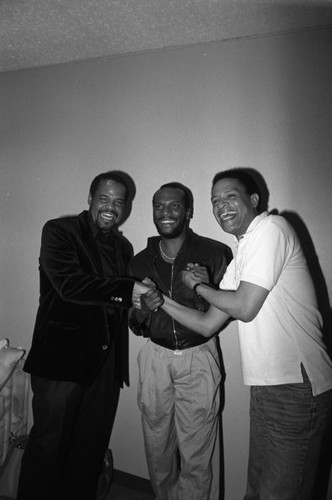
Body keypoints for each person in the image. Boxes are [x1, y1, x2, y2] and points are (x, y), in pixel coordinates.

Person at [155, 169, 332, 500]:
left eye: (230, 196)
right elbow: (209, 324)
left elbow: (245, 307)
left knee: (281, 494)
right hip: (267, 388)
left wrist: (198, 285)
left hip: (298, 385)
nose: (221, 205)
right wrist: (159, 300)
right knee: (258, 490)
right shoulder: (242, 257)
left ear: (253, 200)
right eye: (215, 201)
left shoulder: (272, 228)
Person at [17, 171, 151, 500]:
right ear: (89, 199)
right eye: (104, 199)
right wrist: (129, 289)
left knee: (88, 449)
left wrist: (141, 309)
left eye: (119, 202)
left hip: (105, 365)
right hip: (61, 359)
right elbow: (69, 285)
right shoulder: (60, 231)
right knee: (49, 446)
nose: (111, 207)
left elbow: (118, 306)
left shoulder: (123, 246)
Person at [127, 182, 232, 500]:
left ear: (188, 212)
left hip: (198, 358)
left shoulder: (214, 254)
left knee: (198, 455)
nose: (166, 212)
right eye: (159, 206)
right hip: (155, 358)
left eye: (174, 206)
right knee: (158, 451)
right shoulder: (139, 262)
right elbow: (135, 325)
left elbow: (222, 313)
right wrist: (143, 312)